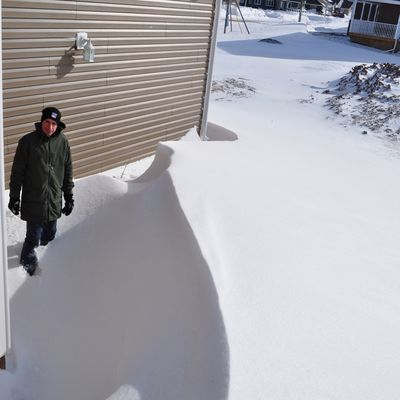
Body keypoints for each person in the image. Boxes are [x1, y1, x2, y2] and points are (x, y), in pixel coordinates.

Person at [8, 107, 74, 276]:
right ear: (41, 121)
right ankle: (27, 264)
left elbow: (67, 170)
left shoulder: (63, 142)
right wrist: (14, 197)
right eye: (47, 122)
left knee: (50, 234)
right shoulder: (27, 142)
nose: (50, 127)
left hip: (53, 200)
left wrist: (68, 196)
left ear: (58, 125)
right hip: (34, 200)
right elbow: (17, 172)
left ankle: (49, 258)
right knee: (33, 236)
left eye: (54, 124)